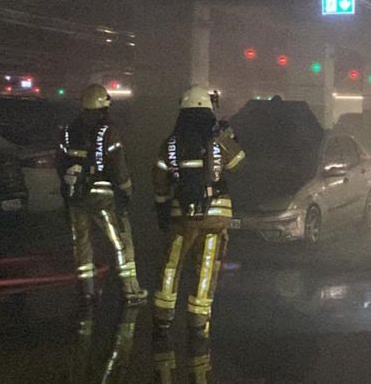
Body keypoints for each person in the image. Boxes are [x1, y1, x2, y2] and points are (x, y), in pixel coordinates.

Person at [152, 86, 246, 339]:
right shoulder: (217, 138)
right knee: (206, 268)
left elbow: (160, 181)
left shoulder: (171, 143)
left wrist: (162, 209)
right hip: (216, 217)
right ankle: (197, 320)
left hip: (182, 216)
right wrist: (227, 137)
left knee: (172, 265)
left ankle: (162, 318)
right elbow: (238, 163)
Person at [57, 84, 147, 304]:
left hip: (75, 195)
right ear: (104, 105)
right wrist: (126, 189)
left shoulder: (68, 130)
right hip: (102, 196)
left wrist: (68, 188)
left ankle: (87, 291)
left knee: (82, 242)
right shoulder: (108, 131)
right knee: (120, 242)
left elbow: (60, 162)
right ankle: (130, 290)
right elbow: (118, 165)